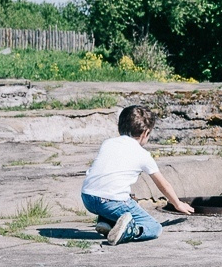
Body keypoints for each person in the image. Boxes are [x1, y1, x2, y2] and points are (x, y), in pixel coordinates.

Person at [81, 104, 195, 244]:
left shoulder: (108, 143)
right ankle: (130, 231)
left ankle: (107, 221)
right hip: (111, 202)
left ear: (120, 126)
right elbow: (163, 185)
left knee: (124, 195)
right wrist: (177, 204)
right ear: (146, 133)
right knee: (154, 227)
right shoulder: (143, 155)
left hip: (88, 197)